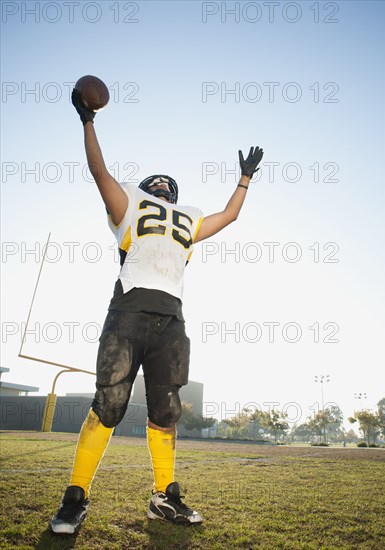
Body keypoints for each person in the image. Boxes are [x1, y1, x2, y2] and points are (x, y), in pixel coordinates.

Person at [50, 89, 264, 534]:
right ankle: (75, 496)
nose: (164, 185)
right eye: (157, 182)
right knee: (109, 404)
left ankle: (164, 496)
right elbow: (99, 172)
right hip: (129, 310)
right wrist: (89, 122)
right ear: (146, 189)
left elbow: (228, 217)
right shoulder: (129, 206)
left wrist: (244, 179)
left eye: (170, 183)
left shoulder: (186, 219)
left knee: (165, 410)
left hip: (172, 320)